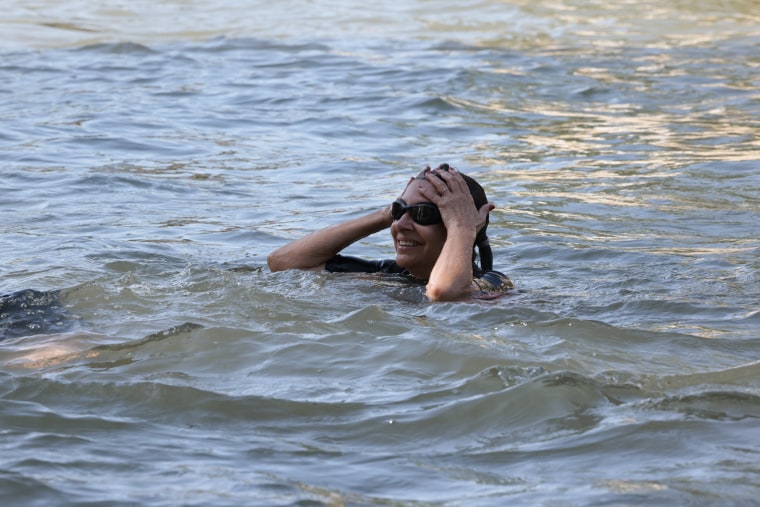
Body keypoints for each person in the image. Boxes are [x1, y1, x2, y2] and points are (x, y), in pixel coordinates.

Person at [267, 163, 513, 301]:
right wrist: (388, 213)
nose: (401, 225)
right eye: (399, 212)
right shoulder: (389, 275)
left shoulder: (493, 283)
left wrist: (461, 226)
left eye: (422, 215)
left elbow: (444, 292)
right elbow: (283, 263)